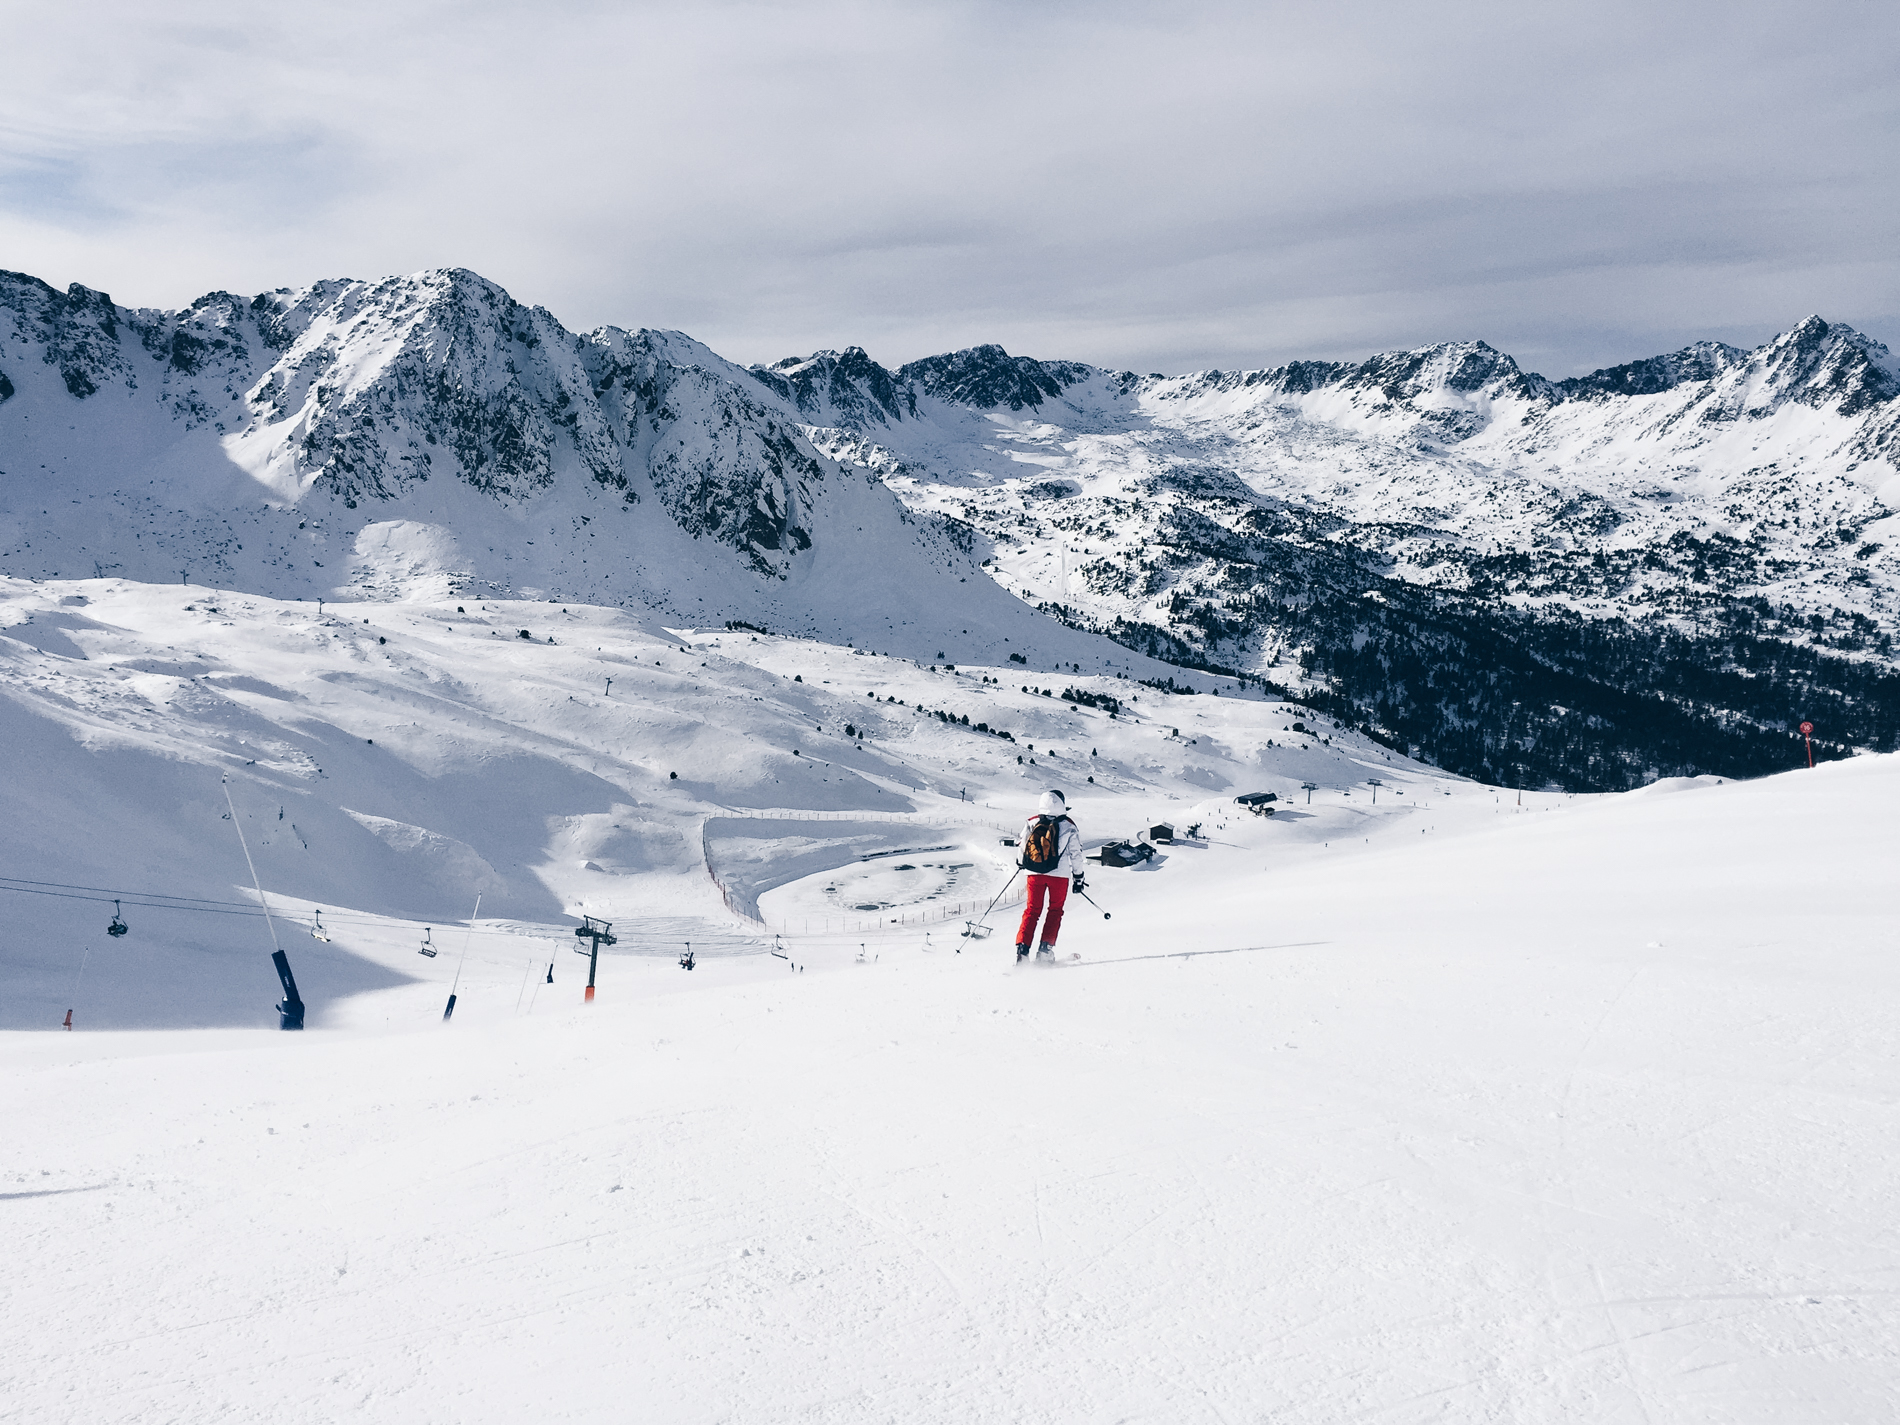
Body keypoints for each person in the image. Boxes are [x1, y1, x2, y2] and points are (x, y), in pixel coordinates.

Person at [1016, 789, 1083, 961]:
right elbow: (1076, 854)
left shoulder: (1032, 821)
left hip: (1034, 873)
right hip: (1059, 876)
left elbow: (1022, 845)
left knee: (1032, 910)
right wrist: (1078, 878)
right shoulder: (1069, 825)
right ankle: (1045, 952)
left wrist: (1021, 863)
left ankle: (1022, 952)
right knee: (1054, 911)